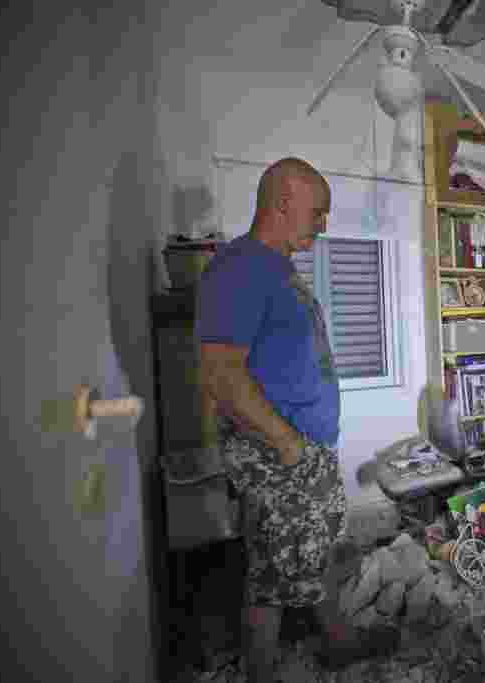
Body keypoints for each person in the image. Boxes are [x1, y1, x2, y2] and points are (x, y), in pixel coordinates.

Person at [195, 157, 397, 681]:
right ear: (284, 203)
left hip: (303, 449)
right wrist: (287, 444)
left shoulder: (277, 268)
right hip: (281, 453)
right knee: (277, 574)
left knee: (310, 554)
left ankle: (335, 644)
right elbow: (220, 373)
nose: (325, 225)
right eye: (319, 212)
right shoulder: (239, 267)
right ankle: (270, 669)